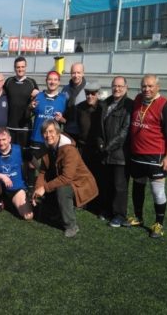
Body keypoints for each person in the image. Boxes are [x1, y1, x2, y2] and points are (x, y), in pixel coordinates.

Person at [128, 74, 167, 238]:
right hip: (136, 154)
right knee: (138, 187)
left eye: (150, 86)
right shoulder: (137, 100)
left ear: (158, 87)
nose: (146, 89)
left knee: (157, 192)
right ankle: (138, 217)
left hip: (155, 156)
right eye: (144, 86)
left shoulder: (165, 104)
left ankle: (159, 224)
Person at [32, 120, 98, 238]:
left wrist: (44, 188)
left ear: (58, 132)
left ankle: (71, 226)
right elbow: (42, 171)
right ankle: (57, 211)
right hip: (64, 179)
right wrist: (37, 189)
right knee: (47, 181)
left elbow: (67, 178)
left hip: (80, 183)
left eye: (51, 131)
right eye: (45, 132)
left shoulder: (69, 149)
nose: (48, 135)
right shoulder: (47, 147)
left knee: (62, 189)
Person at [100, 76, 133, 228]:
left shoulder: (129, 105)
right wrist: (101, 144)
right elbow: (99, 126)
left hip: (120, 154)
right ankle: (107, 210)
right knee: (107, 183)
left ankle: (119, 215)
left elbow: (124, 132)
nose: (117, 89)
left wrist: (108, 147)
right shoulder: (106, 103)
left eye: (120, 86)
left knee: (120, 186)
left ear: (126, 87)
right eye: (114, 86)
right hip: (106, 152)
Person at [0, 127, 33, 220]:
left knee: (28, 216)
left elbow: (33, 160)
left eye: (4, 139)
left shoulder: (19, 149)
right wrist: (2, 176)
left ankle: (8, 202)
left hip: (16, 189)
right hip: (0, 187)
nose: (1, 143)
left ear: (9, 139)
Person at [76, 81, 105, 217]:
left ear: (98, 94)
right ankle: (83, 202)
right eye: (87, 93)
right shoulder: (80, 108)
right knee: (83, 176)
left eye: (93, 94)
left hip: (98, 149)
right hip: (83, 147)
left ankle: (98, 205)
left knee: (98, 176)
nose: (90, 96)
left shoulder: (103, 108)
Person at [29, 71, 67, 164]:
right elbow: (27, 115)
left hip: (53, 139)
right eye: (50, 79)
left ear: (59, 82)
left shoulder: (63, 99)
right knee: (32, 165)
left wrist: (61, 119)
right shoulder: (38, 96)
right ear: (46, 81)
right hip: (37, 138)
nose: (52, 82)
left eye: (55, 80)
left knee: (51, 166)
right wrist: (30, 107)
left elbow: (66, 121)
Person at [4, 56, 39, 149]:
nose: (20, 69)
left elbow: (39, 101)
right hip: (10, 126)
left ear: (26, 67)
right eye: (18, 67)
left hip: (25, 127)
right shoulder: (9, 81)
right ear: (15, 68)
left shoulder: (31, 82)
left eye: (22, 67)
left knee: (25, 156)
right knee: (10, 152)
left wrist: (39, 93)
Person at [62, 62, 88, 141]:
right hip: (68, 129)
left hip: (83, 131)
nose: (76, 76)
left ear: (83, 73)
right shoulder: (65, 89)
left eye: (78, 73)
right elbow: (62, 107)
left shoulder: (89, 89)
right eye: (73, 73)